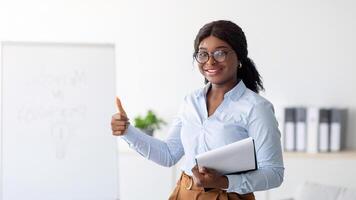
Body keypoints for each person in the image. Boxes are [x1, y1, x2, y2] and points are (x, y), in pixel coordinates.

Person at [111, 20, 284, 200]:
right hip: (184, 192)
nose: (210, 61)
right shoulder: (190, 101)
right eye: (203, 54)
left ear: (239, 57)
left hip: (228, 196)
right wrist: (127, 131)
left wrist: (223, 181)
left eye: (220, 53)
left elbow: (274, 173)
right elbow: (168, 155)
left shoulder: (256, 108)